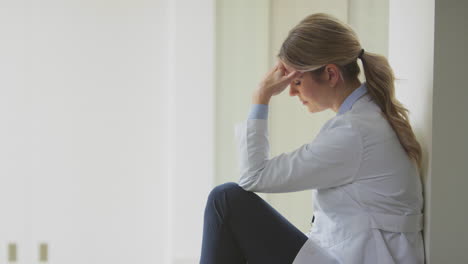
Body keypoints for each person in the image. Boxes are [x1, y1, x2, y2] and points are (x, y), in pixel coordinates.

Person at [200, 13, 424, 264]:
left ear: (330, 74)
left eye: (296, 81)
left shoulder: (353, 132)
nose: (292, 92)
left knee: (226, 200)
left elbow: (254, 176)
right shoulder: (366, 121)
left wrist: (261, 97)